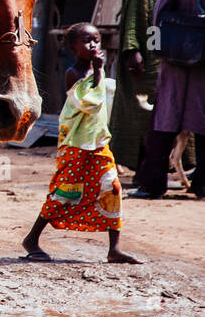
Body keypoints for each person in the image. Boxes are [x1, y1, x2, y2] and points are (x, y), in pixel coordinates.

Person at [22, 22, 139, 264]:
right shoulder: (73, 74)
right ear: (74, 48)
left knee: (112, 188)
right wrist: (98, 72)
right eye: (87, 41)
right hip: (75, 144)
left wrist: (99, 72)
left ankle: (114, 249)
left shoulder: (99, 70)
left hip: (97, 143)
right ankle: (32, 239)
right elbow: (90, 103)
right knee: (64, 193)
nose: (94, 45)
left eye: (96, 40)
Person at [110, 0, 192, 172]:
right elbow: (134, 10)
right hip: (142, 56)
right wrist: (132, 51)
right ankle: (142, 168)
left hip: (159, 53)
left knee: (162, 113)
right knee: (142, 114)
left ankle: (165, 167)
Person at [130, 0, 205, 199]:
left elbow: (157, 18)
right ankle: (202, 185)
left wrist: (155, 52)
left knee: (164, 120)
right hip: (203, 65)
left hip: (174, 61)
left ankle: (153, 185)